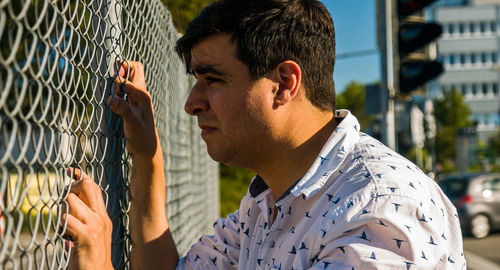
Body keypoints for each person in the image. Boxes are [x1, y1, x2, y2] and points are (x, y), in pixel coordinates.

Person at [62, 0, 466, 269]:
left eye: (213, 79)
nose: (191, 103)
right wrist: (147, 159)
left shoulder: (377, 210)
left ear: (284, 83)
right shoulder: (269, 203)